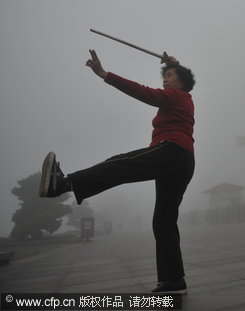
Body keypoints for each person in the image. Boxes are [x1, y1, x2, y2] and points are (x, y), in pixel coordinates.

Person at [39, 49, 195, 295]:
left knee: (121, 163)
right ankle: (174, 281)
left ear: (182, 82)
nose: (165, 78)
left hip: (172, 151)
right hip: (183, 161)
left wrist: (104, 74)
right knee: (164, 221)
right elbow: (172, 79)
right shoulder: (182, 98)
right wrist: (175, 63)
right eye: (164, 76)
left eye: (171, 75)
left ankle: (63, 184)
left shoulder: (176, 96)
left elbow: (142, 91)